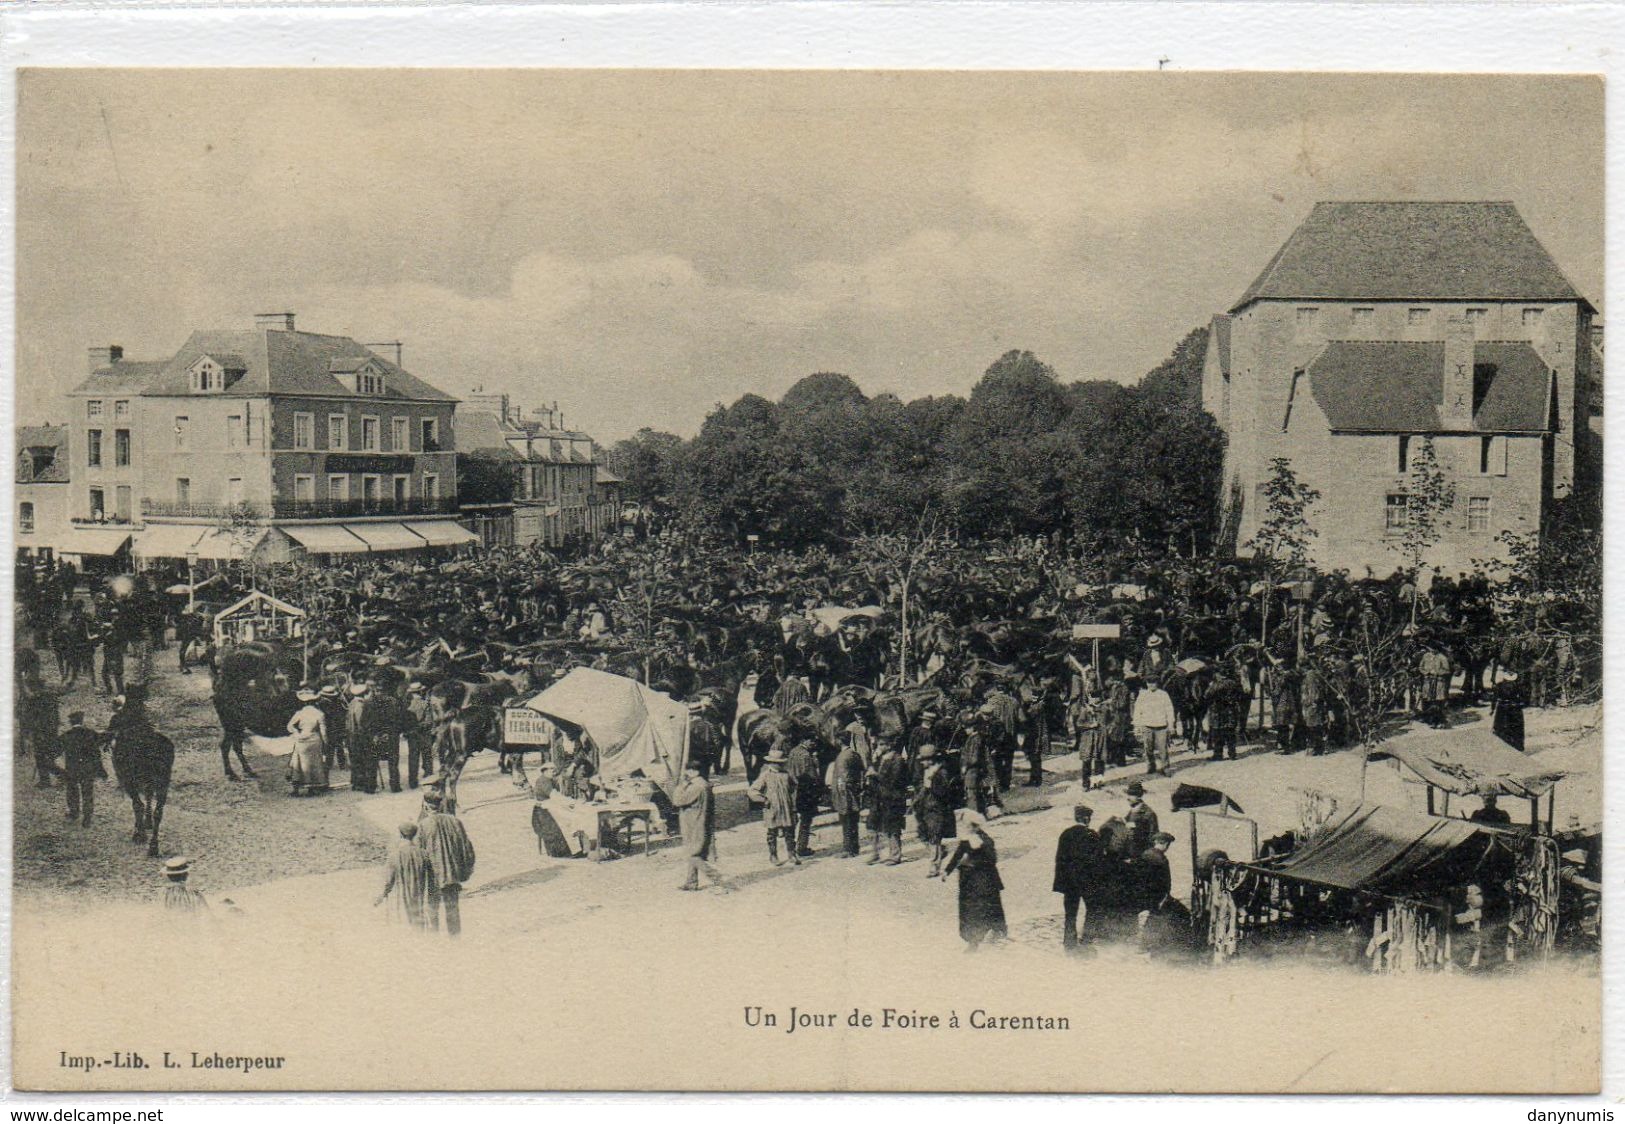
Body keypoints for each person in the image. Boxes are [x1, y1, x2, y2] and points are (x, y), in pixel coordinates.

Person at [942, 810, 1007, 952]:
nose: (965, 829)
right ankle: (973, 940)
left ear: (976, 826)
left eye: (968, 826)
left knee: (986, 909)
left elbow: (992, 859)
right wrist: (947, 871)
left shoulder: (986, 840)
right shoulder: (967, 839)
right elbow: (957, 855)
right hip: (969, 883)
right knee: (969, 912)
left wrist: (979, 852)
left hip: (985, 882)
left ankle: (994, 932)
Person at [418, 791, 476, 936]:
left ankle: (434, 940)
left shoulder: (422, 826)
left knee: (432, 908)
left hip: (433, 876)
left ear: (425, 806)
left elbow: (420, 855)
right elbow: (467, 848)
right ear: (440, 804)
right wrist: (465, 872)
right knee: (453, 909)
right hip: (452, 874)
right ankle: (455, 939)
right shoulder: (454, 821)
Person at [1053, 804, 1104, 951]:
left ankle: (1069, 941)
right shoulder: (1092, 835)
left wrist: (1061, 881)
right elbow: (1097, 860)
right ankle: (1087, 939)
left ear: (1076, 817)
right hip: (1087, 881)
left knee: (1070, 913)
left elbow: (1060, 859)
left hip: (1070, 882)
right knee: (1092, 908)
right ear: (1087, 819)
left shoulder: (1065, 834)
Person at [673, 760, 727, 892]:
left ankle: (717, 879)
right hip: (700, 822)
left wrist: (682, 785)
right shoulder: (704, 784)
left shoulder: (696, 786)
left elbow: (677, 800)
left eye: (687, 770)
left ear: (692, 771)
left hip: (694, 823)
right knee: (695, 852)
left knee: (694, 855)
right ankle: (691, 882)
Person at [747, 747, 799, 866]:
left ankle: (792, 854)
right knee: (772, 832)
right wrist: (763, 800)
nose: (779, 765)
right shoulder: (765, 775)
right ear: (771, 763)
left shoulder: (786, 775)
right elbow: (752, 791)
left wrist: (793, 802)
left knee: (789, 831)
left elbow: (794, 788)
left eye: (781, 763)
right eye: (776, 763)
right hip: (772, 808)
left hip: (786, 807)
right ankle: (773, 855)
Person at [375, 821, 432, 928]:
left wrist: (381, 895)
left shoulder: (395, 855)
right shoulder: (424, 854)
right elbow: (432, 879)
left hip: (402, 899)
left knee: (403, 926)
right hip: (419, 897)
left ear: (401, 834)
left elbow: (388, 881)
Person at [912, 744, 956, 876]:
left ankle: (934, 865)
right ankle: (940, 852)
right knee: (922, 834)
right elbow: (917, 784)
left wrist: (931, 785)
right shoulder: (924, 770)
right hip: (923, 808)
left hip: (936, 809)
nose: (923, 762)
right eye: (922, 760)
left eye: (926, 759)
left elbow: (944, 792)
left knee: (934, 836)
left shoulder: (941, 772)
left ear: (934, 759)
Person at [59, 710, 106, 827]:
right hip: (87, 769)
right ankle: (87, 818)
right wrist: (100, 769)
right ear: (82, 721)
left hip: (72, 769)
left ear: (71, 722)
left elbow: (55, 751)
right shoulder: (91, 733)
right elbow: (97, 752)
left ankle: (74, 812)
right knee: (88, 792)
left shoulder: (66, 736)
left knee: (72, 790)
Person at [867, 740, 909, 866]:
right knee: (872, 824)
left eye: (881, 744)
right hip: (879, 797)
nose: (878, 747)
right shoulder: (880, 759)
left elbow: (893, 780)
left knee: (893, 826)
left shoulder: (898, 760)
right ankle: (875, 853)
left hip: (893, 798)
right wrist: (873, 763)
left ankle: (895, 855)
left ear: (889, 745)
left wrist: (876, 774)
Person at [286, 687, 330, 797]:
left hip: (301, 739)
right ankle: (312, 787)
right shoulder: (319, 714)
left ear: (304, 702)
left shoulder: (299, 713)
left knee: (298, 763)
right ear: (315, 701)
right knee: (314, 763)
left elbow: (289, 726)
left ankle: (296, 788)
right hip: (314, 739)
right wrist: (326, 743)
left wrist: (296, 733)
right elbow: (323, 732)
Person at [786, 735, 823, 857]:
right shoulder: (807, 755)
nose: (813, 743)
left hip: (793, 791)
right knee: (806, 820)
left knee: (792, 821)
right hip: (805, 791)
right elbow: (811, 775)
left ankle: (791, 848)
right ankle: (802, 847)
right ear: (804, 740)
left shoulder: (793, 751)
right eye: (811, 740)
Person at [830, 735, 866, 858]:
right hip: (853, 791)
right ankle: (854, 848)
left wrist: (841, 793)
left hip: (845, 793)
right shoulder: (854, 754)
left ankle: (848, 849)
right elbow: (861, 771)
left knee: (846, 820)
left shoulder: (842, 757)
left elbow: (842, 778)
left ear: (839, 740)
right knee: (853, 821)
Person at [1131, 676, 1175, 775]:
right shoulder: (1143, 695)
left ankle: (1165, 768)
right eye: (1149, 682)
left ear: (1157, 683)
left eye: (1153, 682)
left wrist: (1171, 725)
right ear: (1146, 683)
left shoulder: (1163, 694)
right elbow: (1137, 711)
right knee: (1148, 748)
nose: (1151, 685)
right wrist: (1137, 726)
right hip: (1147, 726)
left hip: (1161, 726)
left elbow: (1170, 710)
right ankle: (1151, 766)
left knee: (1163, 749)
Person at [404, 681, 434, 788]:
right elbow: (429, 721)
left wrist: (409, 731)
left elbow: (403, 723)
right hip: (424, 735)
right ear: (421, 692)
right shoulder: (425, 704)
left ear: (411, 693)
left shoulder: (407, 705)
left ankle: (412, 782)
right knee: (427, 756)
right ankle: (429, 778)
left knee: (413, 758)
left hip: (412, 736)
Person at [1491, 671, 1528, 752]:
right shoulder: (1519, 686)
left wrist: (1492, 708)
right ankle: (1517, 747)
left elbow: (1494, 698)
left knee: (1501, 728)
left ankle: (1502, 748)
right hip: (1515, 709)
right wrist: (1520, 704)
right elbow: (1524, 698)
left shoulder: (1499, 685)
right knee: (1516, 729)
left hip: (1502, 709)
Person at [1124, 781, 1159, 857]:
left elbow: (1153, 838)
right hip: (1130, 855)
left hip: (1141, 855)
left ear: (1139, 796)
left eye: (1132, 795)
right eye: (1128, 794)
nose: (1128, 798)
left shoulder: (1149, 814)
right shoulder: (1131, 812)